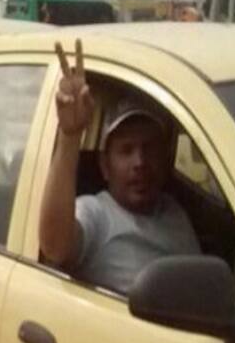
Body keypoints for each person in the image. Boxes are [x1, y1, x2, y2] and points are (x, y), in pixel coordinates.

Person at [38, 39, 200, 295]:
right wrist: (70, 136)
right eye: (126, 150)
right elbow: (54, 247)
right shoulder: (95, 213)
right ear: (105, 165)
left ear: (166, 158)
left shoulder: (174, 212)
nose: (140, 162)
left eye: (149, 148)